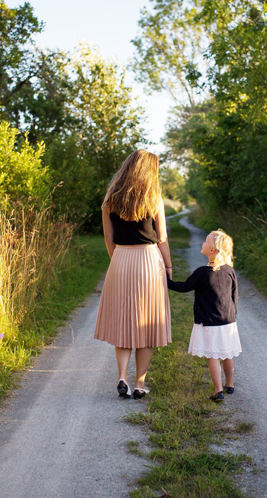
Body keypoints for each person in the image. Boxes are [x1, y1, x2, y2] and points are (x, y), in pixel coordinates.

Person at [94, 150, 172, 399]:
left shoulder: (110, 199)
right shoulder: (153, 198)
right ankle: (139, 384)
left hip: (120, 259)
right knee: (145, 324)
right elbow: (162, 238)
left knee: (124, 323)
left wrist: (118, 260)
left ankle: (121, 377)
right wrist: (168, 267)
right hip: (149, 260)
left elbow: (108, 238)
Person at [167, 229, 240, 402]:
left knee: (213, 356)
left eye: (205, 242)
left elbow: (184, 287)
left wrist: (165, 281)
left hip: (209, 321)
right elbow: (234, 295)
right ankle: (230, 384)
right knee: (227, 353)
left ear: (213, 250)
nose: (202, 243)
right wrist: (233, 315)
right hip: (228, 321)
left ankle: (218, 390)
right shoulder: (230, 271)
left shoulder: (202, 273)